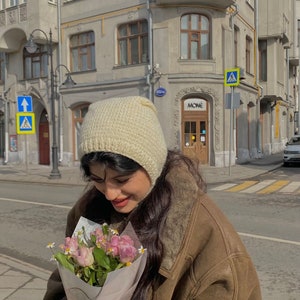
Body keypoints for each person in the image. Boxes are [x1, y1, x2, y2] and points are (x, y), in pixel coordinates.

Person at [44, 96, 262, 300]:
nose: (109, 193)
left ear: (152, 166)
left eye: (122, 180)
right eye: (97, 179)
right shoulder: (88, 209)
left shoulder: (206, 234)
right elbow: (61, 284)